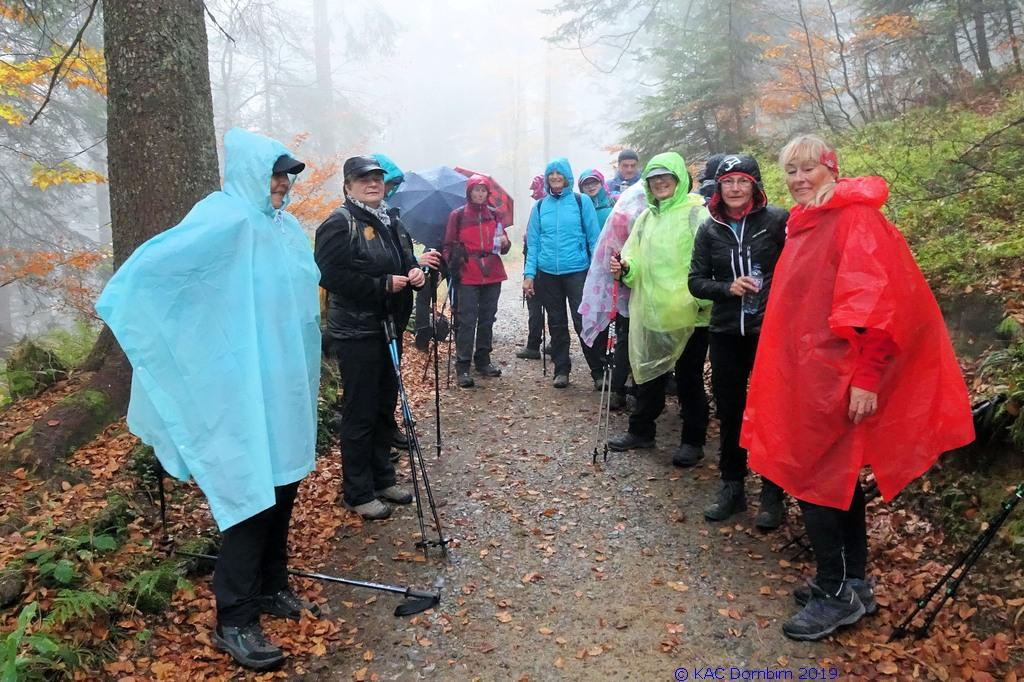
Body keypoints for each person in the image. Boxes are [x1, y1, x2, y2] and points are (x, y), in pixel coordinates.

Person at [96, 129, 322, 671]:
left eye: (288, 175)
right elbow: (158, 275)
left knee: (284, 481)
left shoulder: (283, 227)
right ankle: (235, 618)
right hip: (237, 385)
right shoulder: (224, 218)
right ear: (249, 171)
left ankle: (271, 587)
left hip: (283, 381)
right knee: (248, 494)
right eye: (275, 173)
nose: (282, 184)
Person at [741, 134, 974, 641]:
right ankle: (853, 582)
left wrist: (866, 380)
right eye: (791, 172)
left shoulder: (854, 220)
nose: (799, 179)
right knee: (835, 480)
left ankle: (835, 593)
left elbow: (879, 307)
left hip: (839, 378)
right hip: (809, 374)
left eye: (809, 169)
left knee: (817, 480)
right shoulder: (809, 221)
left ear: (831, 168)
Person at [314, 156, 442, 521]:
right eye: (363, 179)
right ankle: (357, 491)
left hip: (388, 325)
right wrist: (380, 285)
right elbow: (330, 275)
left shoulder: (390, 219)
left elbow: (403, 259)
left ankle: (383, 477)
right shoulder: (339, 223)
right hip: (356, 331)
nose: (372, 184)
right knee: (361, 411)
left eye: (377, 178)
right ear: (348, 185)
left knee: (385, 405)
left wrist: (415, 270)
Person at [687, 154, 789, 529]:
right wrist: (726, 287)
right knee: (730, 411)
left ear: (755, 186)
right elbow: (695, 280)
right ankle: (732, 486)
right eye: (727, 182)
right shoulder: (709, 228)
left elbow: (798, 268)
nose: (734, 188)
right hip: (727, 331)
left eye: (741, 181)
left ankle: (773, 493)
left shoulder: (778, 221)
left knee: (771, 411)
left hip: (770, 333)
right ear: (719, 187)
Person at [608, 152, 711, 463]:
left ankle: (692, 442)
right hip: (653, 312)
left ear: (680, 179)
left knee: (689, 379)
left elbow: (709, 263)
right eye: (654, 178)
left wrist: (700, 302)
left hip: (693, 315)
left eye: (667, 177)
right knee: (648, 374)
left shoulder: (697, 215)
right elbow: (634, 259)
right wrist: (625, 268)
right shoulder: (645, 219)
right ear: (648, 184)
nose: (661, 182)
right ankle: (641, 431)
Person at [522, 158, 604, 389]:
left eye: (560, 174)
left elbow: (594, 239)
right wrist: (529, 275)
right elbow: (534, 244)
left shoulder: (581, 202)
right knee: (556, 323)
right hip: (547, 274)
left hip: (577, 272)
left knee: (583, 322)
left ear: (567, 177)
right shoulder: (539, 207)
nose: (555, 177)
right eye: (551, 174)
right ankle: (561, 369)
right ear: (547, 178)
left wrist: (596, 270)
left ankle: (597, 371)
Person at [578, 180, 647, 410]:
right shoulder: (623, 215)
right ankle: (622, 389)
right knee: (626, 338)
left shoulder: (638, 211)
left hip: (646, 287)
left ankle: (635, 389)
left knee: (631, 339)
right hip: (627, 285)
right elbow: (610, 247)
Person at [442, 174, 511, 387]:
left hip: (492, 270)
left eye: (483, 190)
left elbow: (504, 248)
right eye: (476, 190)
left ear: (487, 193)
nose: (480, 194)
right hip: (468, 272)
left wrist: (506, 243)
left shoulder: (494, 215)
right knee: (467, 320)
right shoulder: (458, 215)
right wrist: (453, 260)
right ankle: (463, 365)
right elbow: (447, 245)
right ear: (469, 192)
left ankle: (483, 360)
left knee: (488, 317)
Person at [516, 174, 548, 360]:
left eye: (534, 188)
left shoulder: (541, 207)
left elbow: (532, 240)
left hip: (538, 261)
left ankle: (533, 344)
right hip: (543, 260)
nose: (533, 193)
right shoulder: (545, 206)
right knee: (550, 306)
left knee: (535, 304)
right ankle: (550, 344)